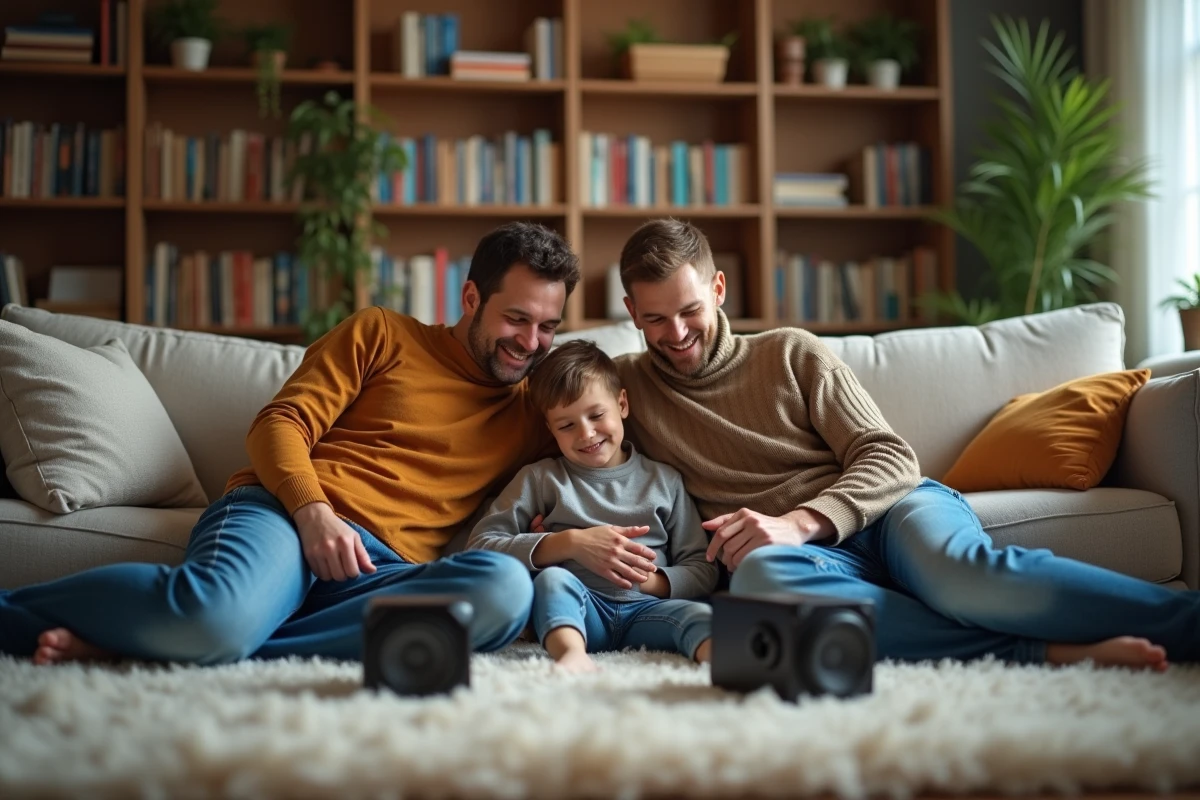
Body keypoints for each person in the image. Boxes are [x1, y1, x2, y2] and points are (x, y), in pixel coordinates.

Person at [612, 217, 1200, 671]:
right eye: (657, 319)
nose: (678, 334)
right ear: (632, 312)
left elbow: (890, 455)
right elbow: (558, 423)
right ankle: (1039, 652)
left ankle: (1189, 624)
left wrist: (799, 520)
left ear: (717, 289)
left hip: (892, 511)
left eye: (690, 310)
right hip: (805, 560)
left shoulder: (789, 352)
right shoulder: (623, 389)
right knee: (761, 586)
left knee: (960, 576)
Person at [0, 222, 580, 666]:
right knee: (216, 616)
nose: (530, 343)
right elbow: (279, 424)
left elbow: (604, 440)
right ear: (472, 298)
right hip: (284, 517)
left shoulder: (538, 407)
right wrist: (313, 512)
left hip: (377, 574)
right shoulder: (381, 332)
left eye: (548, 326)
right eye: (517, 319)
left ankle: (156, 643)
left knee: (502, 590)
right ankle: (43, 621)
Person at [467, 340, 718, 672]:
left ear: (622, 404)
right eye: (566, 425)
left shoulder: (665, 481)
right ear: (550, 429)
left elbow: (703, 568)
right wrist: (567, 544)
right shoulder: (542, 479)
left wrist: (644, 580)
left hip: (650, 611)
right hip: (580, 611)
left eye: (597, 415)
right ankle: (571, 655)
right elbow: (481, 545)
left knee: (701, 616)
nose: (586, 433)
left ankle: (718, 662)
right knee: (552, 582)